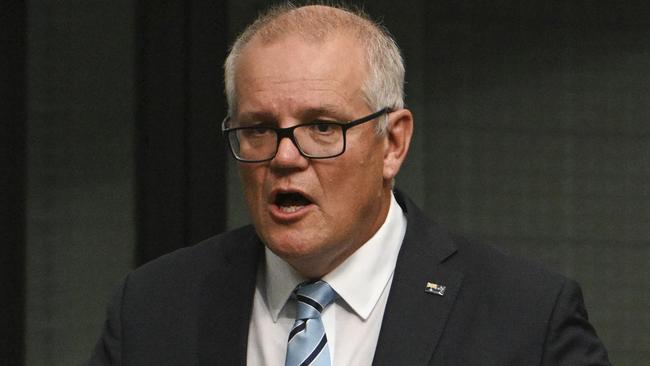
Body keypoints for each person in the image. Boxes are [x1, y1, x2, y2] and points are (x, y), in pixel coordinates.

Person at [87, 4, 611, 365]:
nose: (285, 157)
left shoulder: (525, 317)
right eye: (259, 129)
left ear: (393, 143)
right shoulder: (154, 308)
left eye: (321, 127)